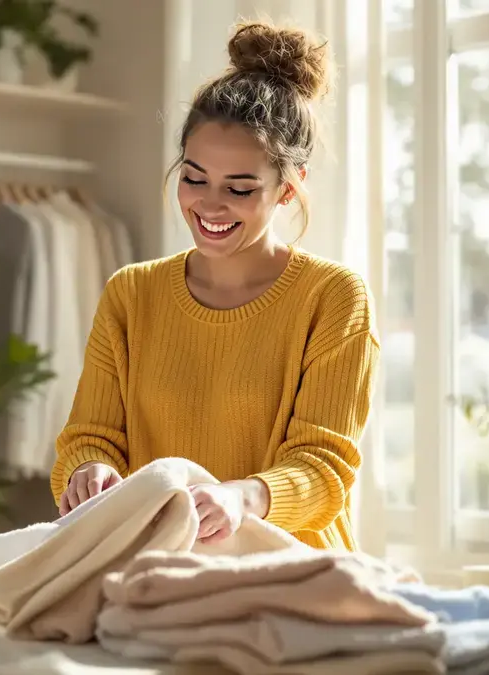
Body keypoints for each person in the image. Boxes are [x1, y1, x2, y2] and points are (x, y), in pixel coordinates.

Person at [50, 19, 378, 552]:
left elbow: (323, 470)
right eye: (194, 178)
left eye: (240, 188)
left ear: (289, 191)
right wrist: (90, 471)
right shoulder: (131, 295)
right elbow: (91, 438)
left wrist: (241, 499)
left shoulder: (334, 297)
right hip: (160, 566)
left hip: (290, 571)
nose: (209, 205)